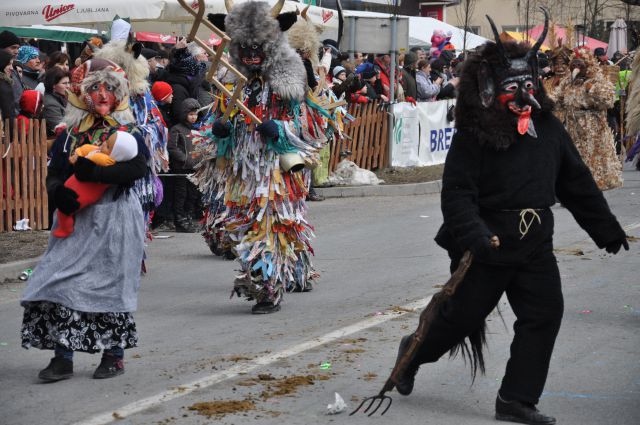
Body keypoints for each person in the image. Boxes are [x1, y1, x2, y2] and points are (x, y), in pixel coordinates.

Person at [392, 14, 629, 425]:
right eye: (512, 87)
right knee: (460, 321)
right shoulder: (473, 134)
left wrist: (605, 229)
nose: (523, 94)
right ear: (489, 88)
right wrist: (474, 234)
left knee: (544, 314)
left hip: (535, 244)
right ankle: (413, 352)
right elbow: (457, 194)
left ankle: (516, 399)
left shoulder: (549, 128)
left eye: (529, 85)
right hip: (488, 246)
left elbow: (576, 182)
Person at [21, 58, 148, 382]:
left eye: (109, 88)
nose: (102, 94)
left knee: (109, 285)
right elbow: (55, 173)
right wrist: (58, 193)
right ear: (82, 93)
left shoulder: (128, 130)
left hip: (115, 217)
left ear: (119, 93)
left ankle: (113, 356)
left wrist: (100, 172)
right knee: (58, 280)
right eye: (94, 87)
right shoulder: (70, 133)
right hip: (74, 218)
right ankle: (62, 357)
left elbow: (138, 169)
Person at [199, 0, 323, 313]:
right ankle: (292, 271)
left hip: (277, 171)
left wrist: (279, 131)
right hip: (242, 174)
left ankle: (268, 289)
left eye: (259, 47)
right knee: (246, 226)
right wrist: (221, 132)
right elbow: (217, 140)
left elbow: (306, 129)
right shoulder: (229, 83)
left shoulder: (288, 81)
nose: (252, 54)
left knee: (272, 227)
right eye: (245, 47)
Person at [554, 48, 622, 190]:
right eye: (574, 65)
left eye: (580, 65)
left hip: (592, 125)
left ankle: (592, 184)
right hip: (572, 125)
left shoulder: (597, 80)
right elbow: (557, 100)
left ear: (588, 66)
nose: (576, 68)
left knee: (591, 155)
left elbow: (608, 100)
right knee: (573, 155)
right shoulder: (568, 81)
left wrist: (591, 89)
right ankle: (573, 184)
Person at [53, 131, 139, 238]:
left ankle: (65, 229)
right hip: (74, 185)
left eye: (107, 146)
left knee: (66, 211)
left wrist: (82, 161)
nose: (103, 144)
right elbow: (87, 149)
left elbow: (93, 160)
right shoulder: (98, 149)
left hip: (94, 197)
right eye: (106, 141)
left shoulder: (107, 160)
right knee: (63, 203)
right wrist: (78, 153)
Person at [168, 98, 200, 233]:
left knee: (192, 194)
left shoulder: (198, 129)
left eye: (195, 114)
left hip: (195, 168)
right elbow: (173, 148)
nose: (193, 117)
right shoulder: (177, 129)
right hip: (181, 168)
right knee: (181, 194)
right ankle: (180, 220)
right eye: (191, 114)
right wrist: (186, 160)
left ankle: (188, 217)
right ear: (184, 114)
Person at [42, 67, 69, 137]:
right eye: (64, 83)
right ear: (53, 85)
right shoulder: (50, 104)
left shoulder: (62, 98)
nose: (68, 86)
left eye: (69, 83)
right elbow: (60, 129)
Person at [0, 50, 16, 127]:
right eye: (9, 64)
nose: (12, 68)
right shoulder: (3, 86)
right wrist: (15, 136)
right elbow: (8, 114)